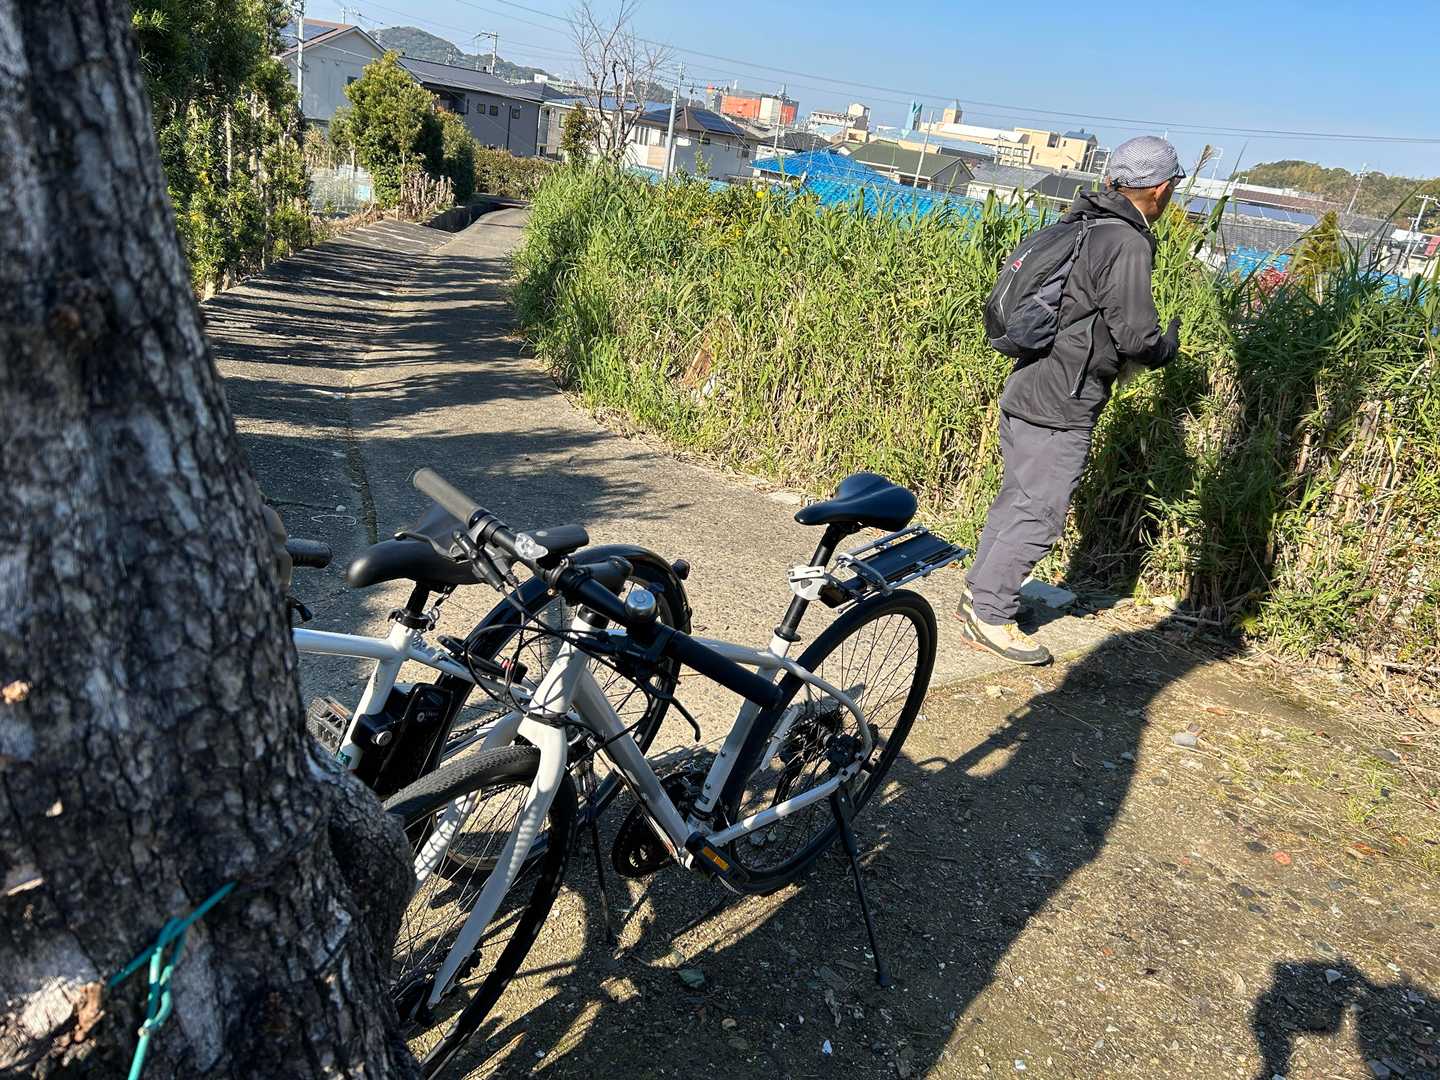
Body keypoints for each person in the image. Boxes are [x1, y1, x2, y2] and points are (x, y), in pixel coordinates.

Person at [959, 135, 1185, 664]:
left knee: (1018, 498)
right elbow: (1136, 335)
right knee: (1040, 512)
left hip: (1028, 386)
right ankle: (991, 615)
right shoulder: (1126, 241)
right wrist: (1166, 347)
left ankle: (980, 593)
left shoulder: (1082, 222)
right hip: (1062, 402)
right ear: (1160, 188)